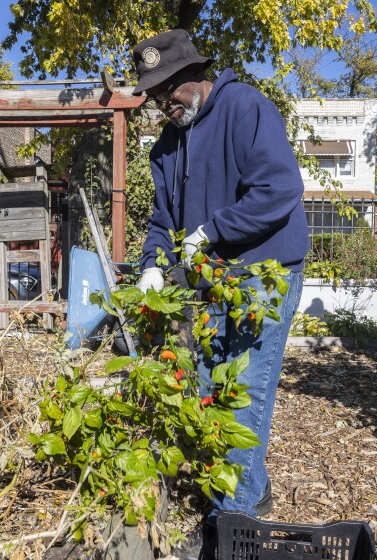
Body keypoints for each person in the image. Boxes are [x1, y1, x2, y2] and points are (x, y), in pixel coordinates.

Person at [131, 29, 310, 559]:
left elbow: (279, 190)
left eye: (169, 91)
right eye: (154, 96)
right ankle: (250, 487)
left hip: (264, 273)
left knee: (246, 389)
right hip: (212, 281)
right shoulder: (166, 146)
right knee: (211, 387)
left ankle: (229, 526)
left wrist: (212, 230)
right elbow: (162, 221)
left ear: (195, 76)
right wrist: (151, 266)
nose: (163, 103)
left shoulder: (245, 107)